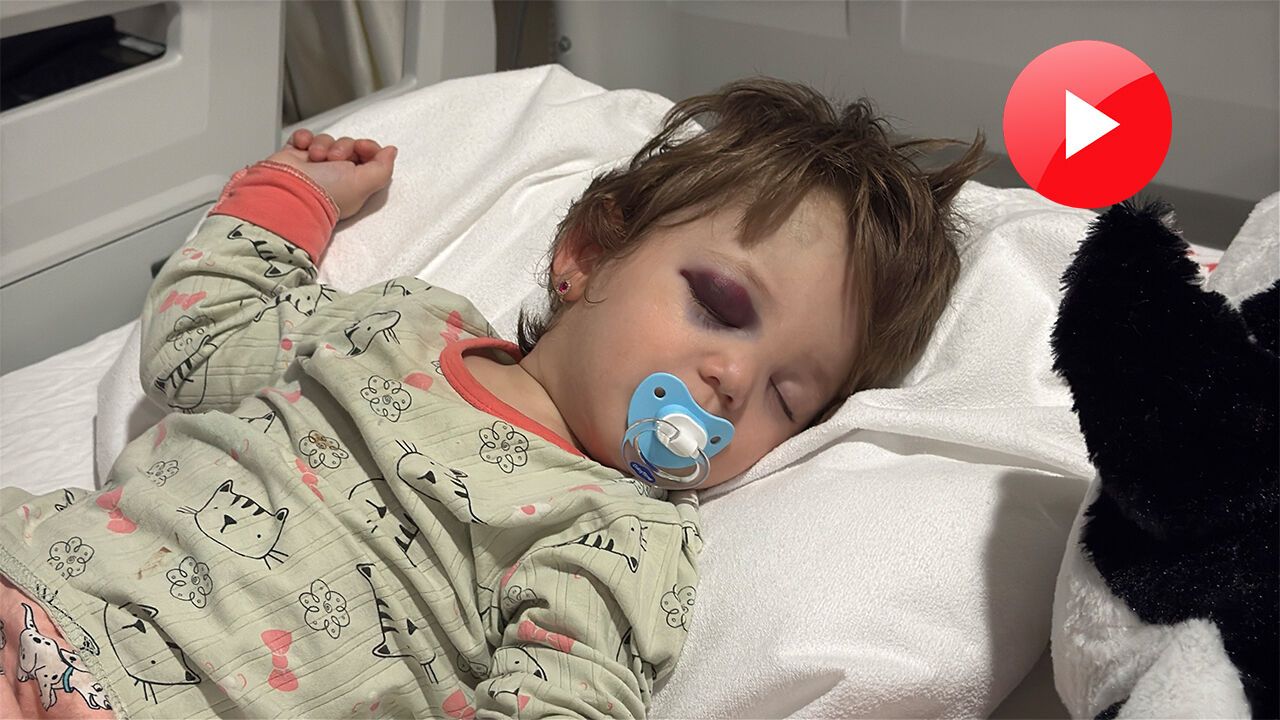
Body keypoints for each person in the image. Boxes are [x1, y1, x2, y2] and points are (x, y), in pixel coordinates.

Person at [0, 76, 989, 718]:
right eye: (720, 306)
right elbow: (199, 346)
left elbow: (569, 696)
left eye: (786, 395)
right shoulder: (397, 323)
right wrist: (291, 194)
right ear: (585, 252)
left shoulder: (613, 534)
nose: (731, 381)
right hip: (31, 577)